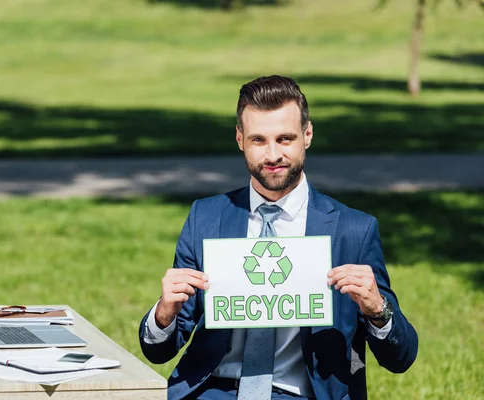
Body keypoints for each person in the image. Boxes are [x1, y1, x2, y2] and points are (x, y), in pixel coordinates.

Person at [138, 75, 418, 400]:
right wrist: (164, 312)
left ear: (307, 135)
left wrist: (376, 309)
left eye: (285, 139)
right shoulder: (207, 218)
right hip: (213, 390)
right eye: (259, 140)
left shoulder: (353, 230)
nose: (272, 155)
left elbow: (402, 357)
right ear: (240, 139)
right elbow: (159, 351)